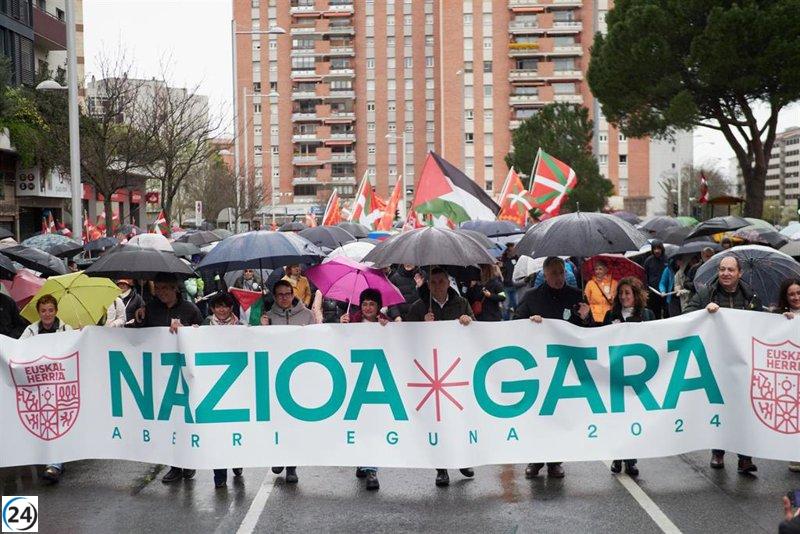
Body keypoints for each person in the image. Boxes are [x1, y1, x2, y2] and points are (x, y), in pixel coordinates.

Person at [515, 256, 594, 479]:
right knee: (539, 414)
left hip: (565, 364)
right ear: (545, 275)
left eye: (561, 272)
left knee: (559, 414)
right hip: (539, 364)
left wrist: (587, 318)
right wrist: (530, 322)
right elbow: (515, 322)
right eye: (554, 273)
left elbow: (589, 330)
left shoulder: (576, 295)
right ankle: (536, 459)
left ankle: (555, 461)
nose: (559, 277)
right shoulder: (531, 297)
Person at [684, 255, 762, 473]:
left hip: (742, 362)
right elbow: (686, 315)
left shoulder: (752, 298)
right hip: (715, 362)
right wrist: (703, 311)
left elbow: (763, 323)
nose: (726, 273)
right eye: (722, 269)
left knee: (744, 411)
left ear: (739, 273)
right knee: (719, 408)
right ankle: (718, 452)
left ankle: (745, 457)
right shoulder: (705, 294)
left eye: (730, 270)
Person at [404, 267, 475, 487]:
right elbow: (407, 336)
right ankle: (441, 467)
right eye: (432, 282)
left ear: (448, 282)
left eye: (441, 282)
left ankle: (461, 459)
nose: (437, 286)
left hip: (456, 368)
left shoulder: (461, 303)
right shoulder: (419, 307)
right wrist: (422, 326)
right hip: (431, 370)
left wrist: (467, 320)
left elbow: (475, 327)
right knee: (437, 419)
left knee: (458, 417)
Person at [134, 273, 203, 483]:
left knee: (185, 418)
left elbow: (203, 334)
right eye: (158, 288)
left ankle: (189, 462)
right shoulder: (150, 309)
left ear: (175, 289)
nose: (161, 292)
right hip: (160, 372)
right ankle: (174, 464)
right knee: (169, 420)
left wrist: (187, 331)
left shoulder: (190, 310)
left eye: (165, 288)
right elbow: (140, 338)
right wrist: (139, 317)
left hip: (184, 371)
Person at [262, 279, 317, 484]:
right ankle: (278, 455)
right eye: (280, 295)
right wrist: (262, 328)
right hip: (275, 375)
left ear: (293, 293)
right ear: (275, 297)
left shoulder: (307, 315)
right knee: (277, 421)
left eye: (287, 293)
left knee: (294, 423)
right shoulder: (268, 317)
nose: (284, 298)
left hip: (299, 375)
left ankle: (291, 466)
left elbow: (318, 341)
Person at [603, 277, 655, 477]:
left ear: (636, 295)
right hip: (616, 374)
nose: (624, 297)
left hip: (638, 375)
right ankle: (618, 455)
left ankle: (631, 459)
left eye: (628, 293)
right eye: (621, 293)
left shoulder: (647, 315)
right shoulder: (611, 315)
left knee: (634, 416)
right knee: (618, 417)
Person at [340, 288, 389, 490]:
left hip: (377, 383)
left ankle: (372, 470)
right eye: (365, 304)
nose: (368, 308)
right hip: (355, 382)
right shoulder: (352, 322)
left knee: (373, 426)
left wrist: (388, 328)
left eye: (372, 304)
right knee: (359, 426)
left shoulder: (384, 324)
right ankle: (362, 460)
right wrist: (341, 327)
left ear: (378, 307)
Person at [21, 294, 73, 482]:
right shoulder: (31, 330)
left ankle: (55, 463)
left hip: (60, 383)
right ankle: (52, 459)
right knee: (43, 422)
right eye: (43, 311)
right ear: (38, 312)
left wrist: (81, 335)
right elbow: (19, 350)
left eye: (51, 310)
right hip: (38, 384)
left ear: (56, 311)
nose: (47, 314)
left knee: (56, 421)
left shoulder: (66, 329)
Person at [201, 292, 245, 487]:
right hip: (212, 388)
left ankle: (237, 461)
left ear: (231, 308)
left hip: (237, 387)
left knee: (235, 429)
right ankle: (219, 475)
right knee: (217, 433)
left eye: (226, 306)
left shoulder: (242, 328)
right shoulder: (203, 327)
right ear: (212, 308)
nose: (222, 310)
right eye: (218, 306)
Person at [777, 278, 800, 472]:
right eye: (791, 294)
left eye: (799, 293)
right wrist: (781, 322)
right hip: (790, 375)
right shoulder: (778, 316)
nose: (795, 297)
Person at [643, 240, 667, 318]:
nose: (657, 251)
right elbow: (645, 275)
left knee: (667, 312)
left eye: (658, 248)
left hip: (666, 292)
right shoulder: (648, 261)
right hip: (653, 292)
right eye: (655, 249)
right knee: (655, 313)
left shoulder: (667, 259)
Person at [500, 244, 518, 320]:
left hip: (514, 285)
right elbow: (500, 274)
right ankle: (506, 322)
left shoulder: (516, 259)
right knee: (506, 306)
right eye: (511, 250)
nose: (513, 252)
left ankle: (517, 320)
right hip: (505, 286)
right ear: (507, 251)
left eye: (514, 250)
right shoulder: (503, 261)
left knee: (516, 305)